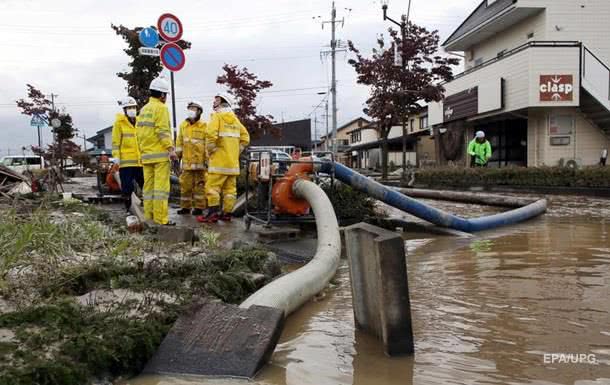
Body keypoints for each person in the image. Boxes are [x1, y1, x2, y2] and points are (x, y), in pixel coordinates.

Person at [197, 93, 249, 223]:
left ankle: (212, 214)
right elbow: (245, 138)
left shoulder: (217, 117)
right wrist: (236, 151)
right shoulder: (235, 120)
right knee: (230, 190)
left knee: (212, 188)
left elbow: (210, 135)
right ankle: (227, 214)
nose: (214, 102)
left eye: (216, 100)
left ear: (222, 102)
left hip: (218, 163)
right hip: (232, 165)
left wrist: (211, 151)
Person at [136, 76, 178, 226]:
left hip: (146, 156)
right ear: (162, 95)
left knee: (148, 189)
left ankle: (149, 217)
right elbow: (163, 131)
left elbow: (138, 133)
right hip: (160, 156)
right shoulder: (161, 108)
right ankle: (161, 219)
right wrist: (171, 149)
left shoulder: (143, 109)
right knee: (161, 189)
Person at [112, 96, 144, 212]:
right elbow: (116, 142)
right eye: (129, 108)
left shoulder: (140, 122)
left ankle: (147, 206)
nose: (132, 110)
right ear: (124, 110)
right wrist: (116, 157)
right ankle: (128, 209)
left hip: (140, 162)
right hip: (126, 163)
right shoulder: (119, 123)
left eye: (133, 107)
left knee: (146, 184)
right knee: (127, 188)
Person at [176, 100, 208, 216]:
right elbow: (179, 143)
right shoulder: (183, 125)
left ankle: (199, 208)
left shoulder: (205, 126)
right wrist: (176, 157)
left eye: (194, 109)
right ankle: (185, 207)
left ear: (199, 111)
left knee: (200, 187)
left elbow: (207, 144)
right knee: (185, 186)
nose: (191, 111)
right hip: (187, 164)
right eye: (190, 109)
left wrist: (208, 161)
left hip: (200, 164)